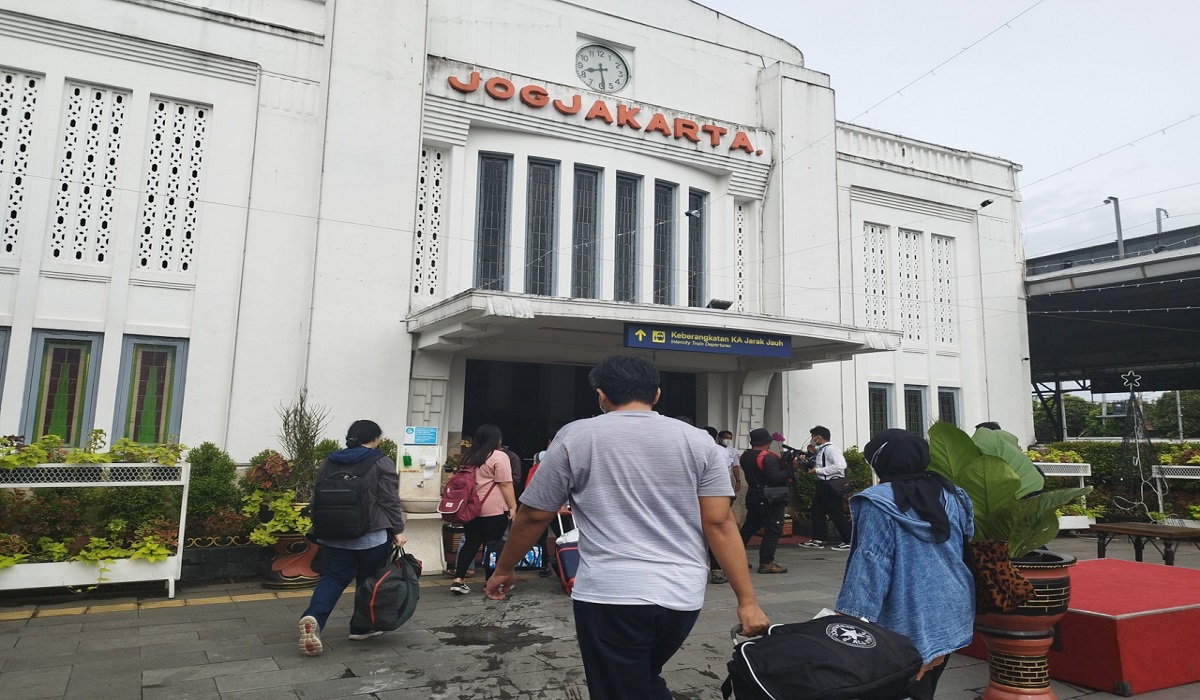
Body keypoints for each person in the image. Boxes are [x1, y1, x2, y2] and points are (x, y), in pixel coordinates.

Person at [484, 355, 769, 700]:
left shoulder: (576, 437)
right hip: (681, 596)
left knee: (621, 688)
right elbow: (719, 523)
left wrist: (504, 568)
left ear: (601, 395)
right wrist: (747, 601)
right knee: (641, 679)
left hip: (610, 593)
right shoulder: (698, 442)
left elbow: (533, 515)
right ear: (657, 394)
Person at [834, 428, 975, 700]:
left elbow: (871, 563)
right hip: (951, 607)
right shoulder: (953, 494)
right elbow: (965, 538)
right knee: (926, 686)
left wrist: (848, 620)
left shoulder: (878, 502)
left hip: (905, 614)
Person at [298, 419, 406, 657]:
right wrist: (398, 530)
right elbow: (389, 500)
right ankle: (360, 627)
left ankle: (314, 617)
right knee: (368, 579)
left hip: (334, 534)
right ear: (375, 438)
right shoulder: (381, 462)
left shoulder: (328, 462)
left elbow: (317, 499)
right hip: (372, 535)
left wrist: (319, 528)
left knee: (333, 578)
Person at [449, 423, 518, 595]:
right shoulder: (499, 457)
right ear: (497, 439)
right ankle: (489, 582)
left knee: (471, 542)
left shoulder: (469, 457)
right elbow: (505, 484)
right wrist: (513, 506)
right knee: (492, 545)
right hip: (494, 508)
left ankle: (458, 580)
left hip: (471, 508)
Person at [738, 427, 790, 574]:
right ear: (766, 442)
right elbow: (776, 478)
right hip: (770, 498)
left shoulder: (745, 456)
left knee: (749, 528)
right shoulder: (767, 457)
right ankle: (766, 562)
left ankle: (735, 557)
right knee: (773, 529)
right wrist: (789, 469)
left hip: (753, 496)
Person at [799, 425, 852, 551]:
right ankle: (818, 538)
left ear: (819, 437)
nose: (811, 439)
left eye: (813, 437)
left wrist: (819, 470)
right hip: (822, 484)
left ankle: (849, 540)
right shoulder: (821, 449)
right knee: (817, 511)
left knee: (836, 513)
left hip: (830, 485)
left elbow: (840, 465)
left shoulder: (830, 449)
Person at [703, 427, 740, 584]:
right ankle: (717, 570)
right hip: (713, 495)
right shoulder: (720, 451)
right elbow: (723, 474)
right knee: (715, 529)